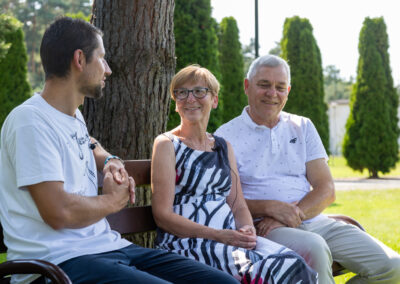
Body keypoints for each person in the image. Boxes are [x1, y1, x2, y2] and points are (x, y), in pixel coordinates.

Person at [0, 17, 239, 284]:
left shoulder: (71, 117)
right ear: (79, 60)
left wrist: (109, 160)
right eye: (101, 58)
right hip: (58, 262)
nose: (108, 69)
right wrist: (114, 201)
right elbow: (59, 213)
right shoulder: (29, 121)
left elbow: (88, 142)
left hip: (106, 248)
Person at [215, 54, 400, 283]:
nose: (272, 93)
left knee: (393, 267)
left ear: (288, 90)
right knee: (314, 248)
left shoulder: (302, 126)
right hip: (263, 230)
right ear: (247, 86)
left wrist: (291, 215)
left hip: (315, 221)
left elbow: (326, 189)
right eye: (264, 85)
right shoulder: (225, 136)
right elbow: (222, 199)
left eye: (280, 87)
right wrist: (270, 208)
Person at [151, 64, 318, 283]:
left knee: (293, 264)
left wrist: (247, 229)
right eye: (182, 93)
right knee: (267, 271)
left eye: (200, 91)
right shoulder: (167, 144)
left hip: (229, 239)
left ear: (215, 100)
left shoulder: (222, 146)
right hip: (188, 243)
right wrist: (219, 235)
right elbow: (163, 216)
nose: (191, 98)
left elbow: (238, 204)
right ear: (176, 104)